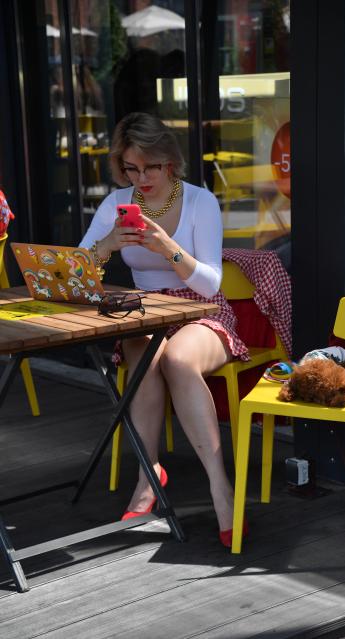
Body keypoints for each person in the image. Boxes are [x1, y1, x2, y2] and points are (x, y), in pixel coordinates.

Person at [79, 112, 249, 546]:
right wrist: (107, 245)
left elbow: (211, 282)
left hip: (201, 310)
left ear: (168, 162)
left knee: (176, 359)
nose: (142, 177)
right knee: (145, 360)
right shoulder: (117, 201)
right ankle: (147, 472)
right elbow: (77, 271)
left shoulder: (198, 201)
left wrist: (169, 248)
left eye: (150, 167)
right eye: (131, 168)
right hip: (145, 311)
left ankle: (219, 486)